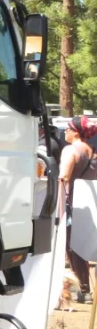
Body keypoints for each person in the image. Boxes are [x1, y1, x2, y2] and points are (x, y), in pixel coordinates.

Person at [60, 116, 97, 304]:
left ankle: (83, 289)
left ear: (76, 132)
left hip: (72, 204)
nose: (65, 132)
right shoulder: (93, 151)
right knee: (86, 244)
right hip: (90, 203)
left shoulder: (71, 150)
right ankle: (86, 290)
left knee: (72, 246)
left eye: (67, 129)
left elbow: (64, 177)